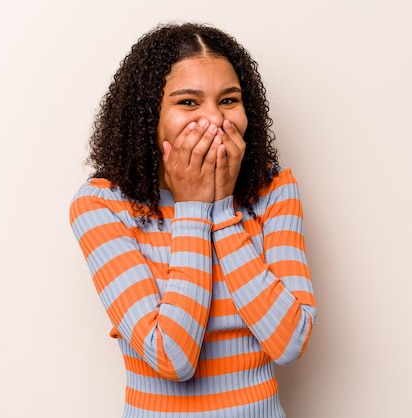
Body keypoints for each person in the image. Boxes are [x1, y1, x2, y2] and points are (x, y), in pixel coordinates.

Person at [69, 22, 317, 417]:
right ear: (149, 116)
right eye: (188, 102)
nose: (215, 121)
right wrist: (191, 209)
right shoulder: (101, 205)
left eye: (229, 100)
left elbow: (289, 342)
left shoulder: (274, 190)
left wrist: (220, 210)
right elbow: (172, 357)